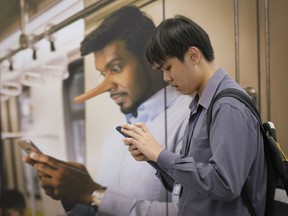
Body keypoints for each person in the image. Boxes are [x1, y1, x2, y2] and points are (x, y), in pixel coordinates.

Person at [23, 6, 191, 216]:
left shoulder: (191, 120)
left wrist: (93, 192)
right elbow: (103, 207)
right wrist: (74, 193)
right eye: (103, 74)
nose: (108, 85)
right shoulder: (115, 137)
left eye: (116, 68)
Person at [121, 15, 267, 215]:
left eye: (168, 67)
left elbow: (224, 184)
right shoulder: (200, 106)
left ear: (192, 55)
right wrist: (154, 158)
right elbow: (189, 185)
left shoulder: (227, 107)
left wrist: (161, 154)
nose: (166, 78)